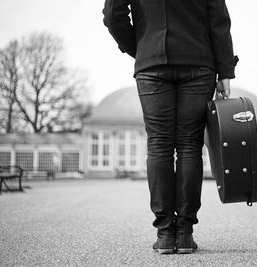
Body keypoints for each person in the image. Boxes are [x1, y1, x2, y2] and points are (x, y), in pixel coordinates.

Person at [102, 0, 237, 254]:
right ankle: (184, 233)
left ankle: (165, 234)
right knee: (189, 145)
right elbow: (218, 19)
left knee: (159, 145)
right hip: (199, 62)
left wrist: (141, 47)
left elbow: (113, 15)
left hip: (152, 63)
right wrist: (225, 71)